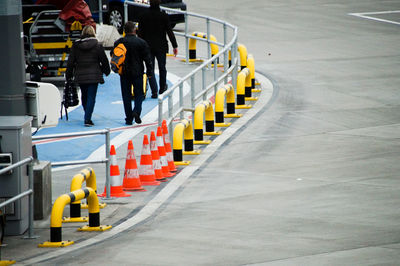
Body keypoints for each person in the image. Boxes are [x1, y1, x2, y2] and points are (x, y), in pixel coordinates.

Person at [66, 25, 110, 127]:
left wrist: (68, 75)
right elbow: (104, 60)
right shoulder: (97, 45)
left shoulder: (76, 46)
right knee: (91, 97)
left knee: (84, 96)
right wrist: (105, 71)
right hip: (94, 75)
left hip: (80, 75)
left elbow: (70, 62)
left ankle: (87, 113)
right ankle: (87, 118)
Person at [114, 21, 153, 125]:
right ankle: (136, 111)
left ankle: (128, 118)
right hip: (138, 72)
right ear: (134, 30)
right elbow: (148, 59)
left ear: (124, 31)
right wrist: (149, 72)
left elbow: (114, 55)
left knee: (126, 95)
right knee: (139, 94)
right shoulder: (141, 42)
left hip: (124, 72)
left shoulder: (119, 42)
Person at [138, 0, 178, 99]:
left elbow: (140, 33)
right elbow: (169, 32)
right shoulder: (163, 16)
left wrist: (140, 47)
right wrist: (174, 45)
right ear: (159, 3)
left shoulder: (143, 16)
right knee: (162, 68)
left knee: (150, 68)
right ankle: (162, 87)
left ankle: (154, 91)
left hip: (148, 47)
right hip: (161, 46)